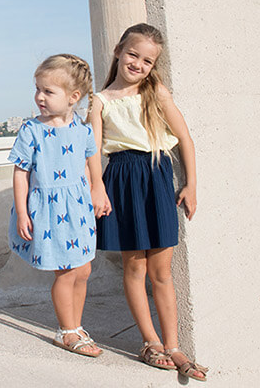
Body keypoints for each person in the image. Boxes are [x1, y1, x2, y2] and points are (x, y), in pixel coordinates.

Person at [89, 23, 207, 380]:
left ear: (154, 66)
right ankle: (150, 341)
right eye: (133, 55)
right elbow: (93, 150)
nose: (138, 64)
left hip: (156, 176)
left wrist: (191, 185)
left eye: (147, 60)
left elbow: (184, 138)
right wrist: (97, 187)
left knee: (161, 272)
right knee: (134, 267)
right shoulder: (100, 100)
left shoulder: (157, 92)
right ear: (119, 52)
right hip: (122, 179)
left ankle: (173, 344)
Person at [7, 54, 111, 357]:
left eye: (48, 91)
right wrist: (23, 212)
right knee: (65, 271)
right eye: (38, 89)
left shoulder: (82, 129)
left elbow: (92, 158)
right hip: (49, 211)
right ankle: (66, 331)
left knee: (83, 270)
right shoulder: (32, 130)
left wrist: (98, 188)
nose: (40, 96)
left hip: (77, 209)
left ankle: (76, 326)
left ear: (73, 97)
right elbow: (20, 173)